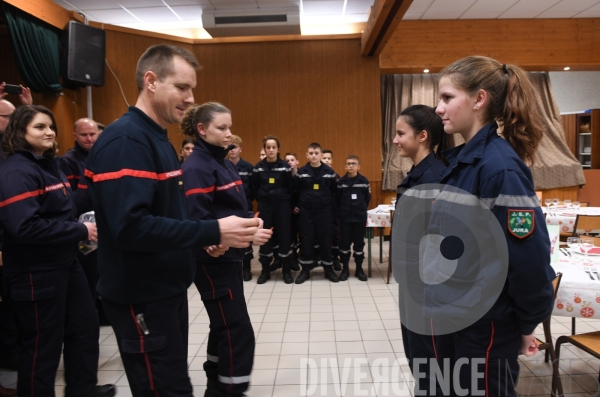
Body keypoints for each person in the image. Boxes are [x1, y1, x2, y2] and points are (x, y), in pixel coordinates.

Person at [84, 44, 262, 397]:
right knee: (164, 388)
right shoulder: (126, 141)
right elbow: (130, 227)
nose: (190, 97)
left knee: (172, 383)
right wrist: (214, 228)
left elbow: (167, 212)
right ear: (150, 81)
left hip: (164, 289)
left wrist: (206, 236)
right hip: (141, 294)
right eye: (182, 87)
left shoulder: (156, 137)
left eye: (191, 88)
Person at [429, 56, 555, 396]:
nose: (438, 108)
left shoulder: (500, 169)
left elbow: (527, 260)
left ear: (479, 99)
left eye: (447, 98)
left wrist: (528, 322)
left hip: (484, 325)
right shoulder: (463, 162)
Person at [0, 105, 113, 397]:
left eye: (51, 126)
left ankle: (83, 390)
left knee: (84, 329)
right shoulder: (17, 170)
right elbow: (23, 228)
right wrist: (80, 230)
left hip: (66, 262)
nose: (49, 132)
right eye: (39, 127)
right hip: (35, 272)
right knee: (42, 346)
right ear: (20, 131)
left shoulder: (48, 164)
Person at [181, 102, 271, 397]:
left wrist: (250, 227)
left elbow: (231, 209)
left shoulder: (222, 161)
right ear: (202, 130)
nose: (229, 133)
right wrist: (214, 243)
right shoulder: (197, 167)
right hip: (212, 261)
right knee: (236, 330)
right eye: (222, 128)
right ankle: (230, 390)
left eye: (230, 127)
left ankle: (215, 386)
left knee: (222, 326)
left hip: (229, 256)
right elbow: (197, 219)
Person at [392, 105, 452, 395]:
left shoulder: (436, 179)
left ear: (423, 136)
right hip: (413, 286)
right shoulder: (417, 175)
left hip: (428, 291)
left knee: (431, 362)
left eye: (401, 133)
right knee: (418, 358)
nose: (395, 140)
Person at [59, 118, 104, 324]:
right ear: (75, 136)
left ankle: (102, 313)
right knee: (88, 275)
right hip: (83, 227)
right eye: (84, 135)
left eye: (93, 134)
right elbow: (71, 200)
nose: (89, 138)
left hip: (106, 222)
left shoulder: (103, 155)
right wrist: (89, 180)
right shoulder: (69, 160)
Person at [251, 135, 295, 284]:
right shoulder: (258, 167)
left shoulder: (285, 166)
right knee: (265, 236)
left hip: (282, 205)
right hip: (265, 206)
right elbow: (254, 188)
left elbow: (291, 188)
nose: (270, 150)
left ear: (277, 149)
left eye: (273, 147)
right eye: (268, 147)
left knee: (284, 236)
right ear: (264, 149)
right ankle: (265, 270)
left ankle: (286, 270)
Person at [294, 143, 339, 284]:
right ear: (307, 155)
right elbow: (296, 191)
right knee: (306, 239)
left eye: (316, 153)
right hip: (306, 211)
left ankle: (328, 269)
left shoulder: (329, 172)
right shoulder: (301, 172)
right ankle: (305, 270)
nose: (314, 155)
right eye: (311, 153)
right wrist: (296, 206)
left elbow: (334, 192)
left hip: (324, 211)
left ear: (321, 155)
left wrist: (331, 208)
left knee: (325, 239)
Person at [336, 155, 371, 282]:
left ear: (358, 166)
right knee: (344, 244)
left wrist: (359, 209)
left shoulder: (364, 181)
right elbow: (337, 199)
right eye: (348, 164)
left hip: (359, 217)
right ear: (345, 166)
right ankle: (345, 269)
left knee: (359, 244)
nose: (350, 166)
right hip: (345, 218)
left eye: (353, 163)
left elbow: (367, 198)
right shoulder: (341, 182)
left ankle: (359, 269)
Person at [228, 134, 256, 281]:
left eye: (235, 147)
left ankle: (246, 268)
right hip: (229, 208)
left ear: (241, 149)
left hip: (245, 207)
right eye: (230, 147)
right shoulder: (222, 165)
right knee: (232, 238)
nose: (232, 150)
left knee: (246, 238)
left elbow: (254, 187)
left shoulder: (248, 167)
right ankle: (233, 267)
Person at [322, 149, 342, 270]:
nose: (327, 160)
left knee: (335, 235)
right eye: (325, 158)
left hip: (334, 210)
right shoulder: (317, 176)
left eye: (329, 158)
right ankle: (322, 257)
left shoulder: (336, 176)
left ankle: (335, 258)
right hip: (322, 210)